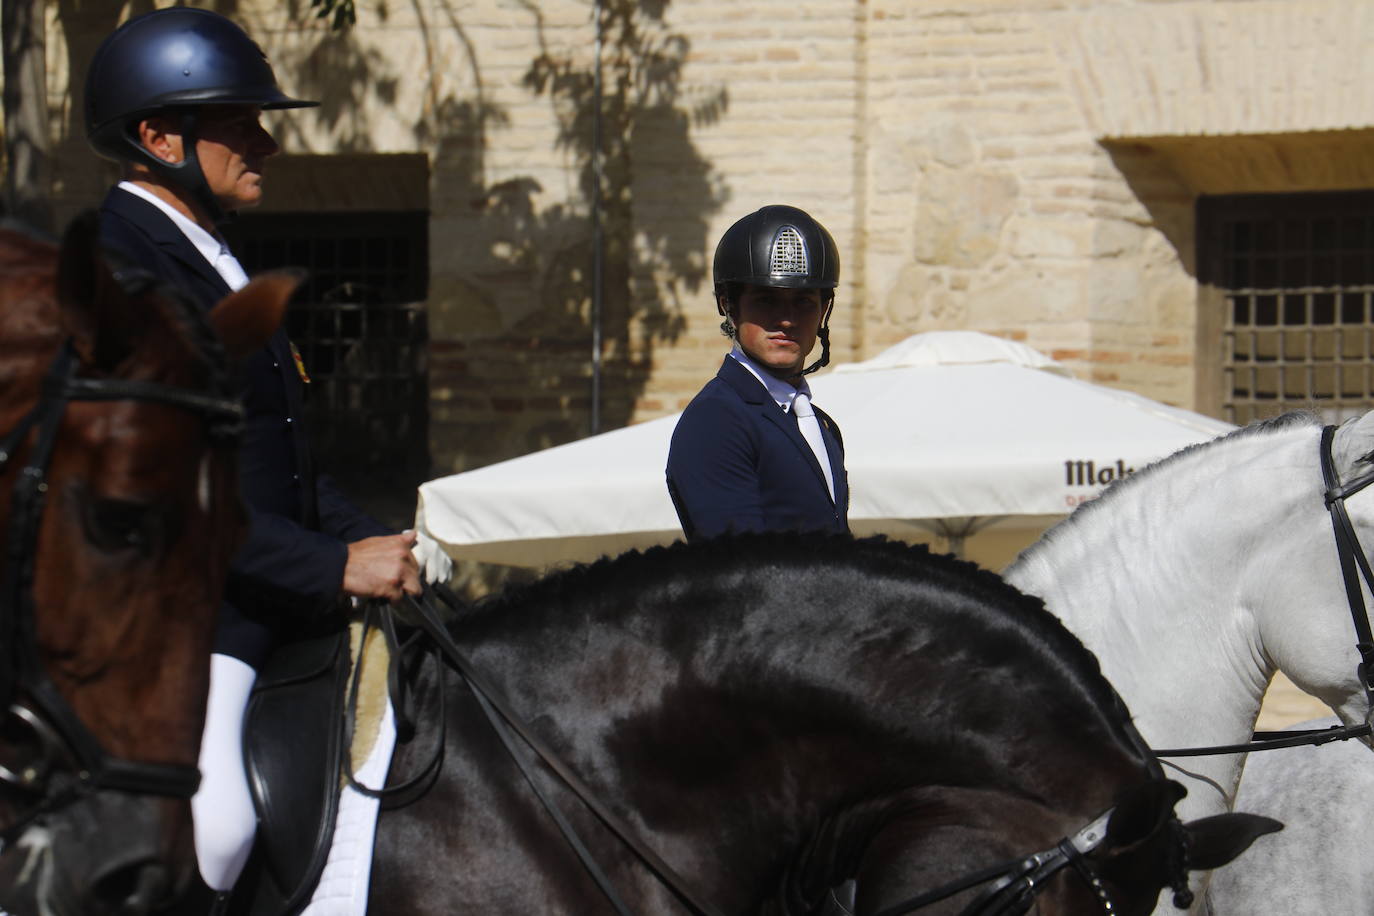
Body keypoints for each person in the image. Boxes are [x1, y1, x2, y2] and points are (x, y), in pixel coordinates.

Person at [83, 8, 423, 907]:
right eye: (241, 123)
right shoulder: (125, 272)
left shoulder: (214, 255)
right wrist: (331, 564)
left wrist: (381, 538)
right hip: (186, 614)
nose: (265, 145)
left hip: (262, 591)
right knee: (221, 827)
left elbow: (283, 465)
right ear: (158, 136)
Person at [666, 204, 850, 540]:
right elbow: (741, 572)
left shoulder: (822, 425)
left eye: (804, 302)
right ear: (728, 304)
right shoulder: (716, 419)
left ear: (824, 310)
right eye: (767, 300)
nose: (787, 319)